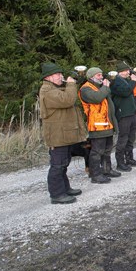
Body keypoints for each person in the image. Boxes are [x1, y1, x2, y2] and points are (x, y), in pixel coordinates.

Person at [39, 62, 87, 204]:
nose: (61, 76)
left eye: (60, 74)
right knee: (57, 165)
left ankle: (64, 188)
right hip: (56, 136)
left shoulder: (54, 89)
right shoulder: (47, 91)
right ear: (48, 77)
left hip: (62, 134)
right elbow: (68, 100)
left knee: (64, 163)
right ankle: (57, 194)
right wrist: (71, 84)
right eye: (57, 74)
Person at [79, 67, 120, 183]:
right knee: (97, 151)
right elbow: (97, 98)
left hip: (107, 125)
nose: (101, 77)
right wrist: (106, 87)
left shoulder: (100, 87)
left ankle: (107, 169)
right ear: (91, 77)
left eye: (101, 74)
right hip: (97, 126)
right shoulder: (85, 89)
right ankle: (95, 174)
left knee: (107, 149)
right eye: (98, 75)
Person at [110, 61, 136, 172]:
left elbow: (131, 96)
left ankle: (129, 159)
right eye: (126, 70)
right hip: (123, 114)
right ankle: (120, 162)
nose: (129, 72)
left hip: (131, 113)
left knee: (131, 138)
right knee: (123, 139)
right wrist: (133, 81)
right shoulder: (115, 82)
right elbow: (126, 92)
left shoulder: (126, 81)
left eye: (128, 70)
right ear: (120, 72)